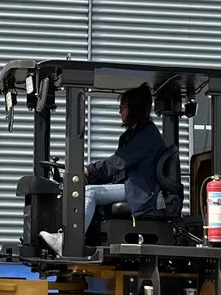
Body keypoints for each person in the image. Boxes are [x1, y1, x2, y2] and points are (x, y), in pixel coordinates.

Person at [40, 84, 168, 253]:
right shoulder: (135, 134)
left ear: (134, 108)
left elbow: (117, 162)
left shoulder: (146, 136)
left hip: (141, 190)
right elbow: (117, 168)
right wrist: (92, 174)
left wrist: (89, 171)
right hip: (134, 185)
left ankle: (68, 242)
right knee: (87, 188)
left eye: (122, 107)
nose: (119, 111)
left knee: (89, 192)